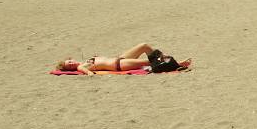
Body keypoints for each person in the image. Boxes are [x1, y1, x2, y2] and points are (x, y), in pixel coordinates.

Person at [57, 43, 190, 75]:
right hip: (119, 65)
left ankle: (169, 59)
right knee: (150, 62)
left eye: (70, 62)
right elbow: (88, 72)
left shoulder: (85, 61)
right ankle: (177, 64)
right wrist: (90, 72)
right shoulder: (81, 67)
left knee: (143, 46)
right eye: (69, 66)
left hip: (120, 58)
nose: (72, 64)